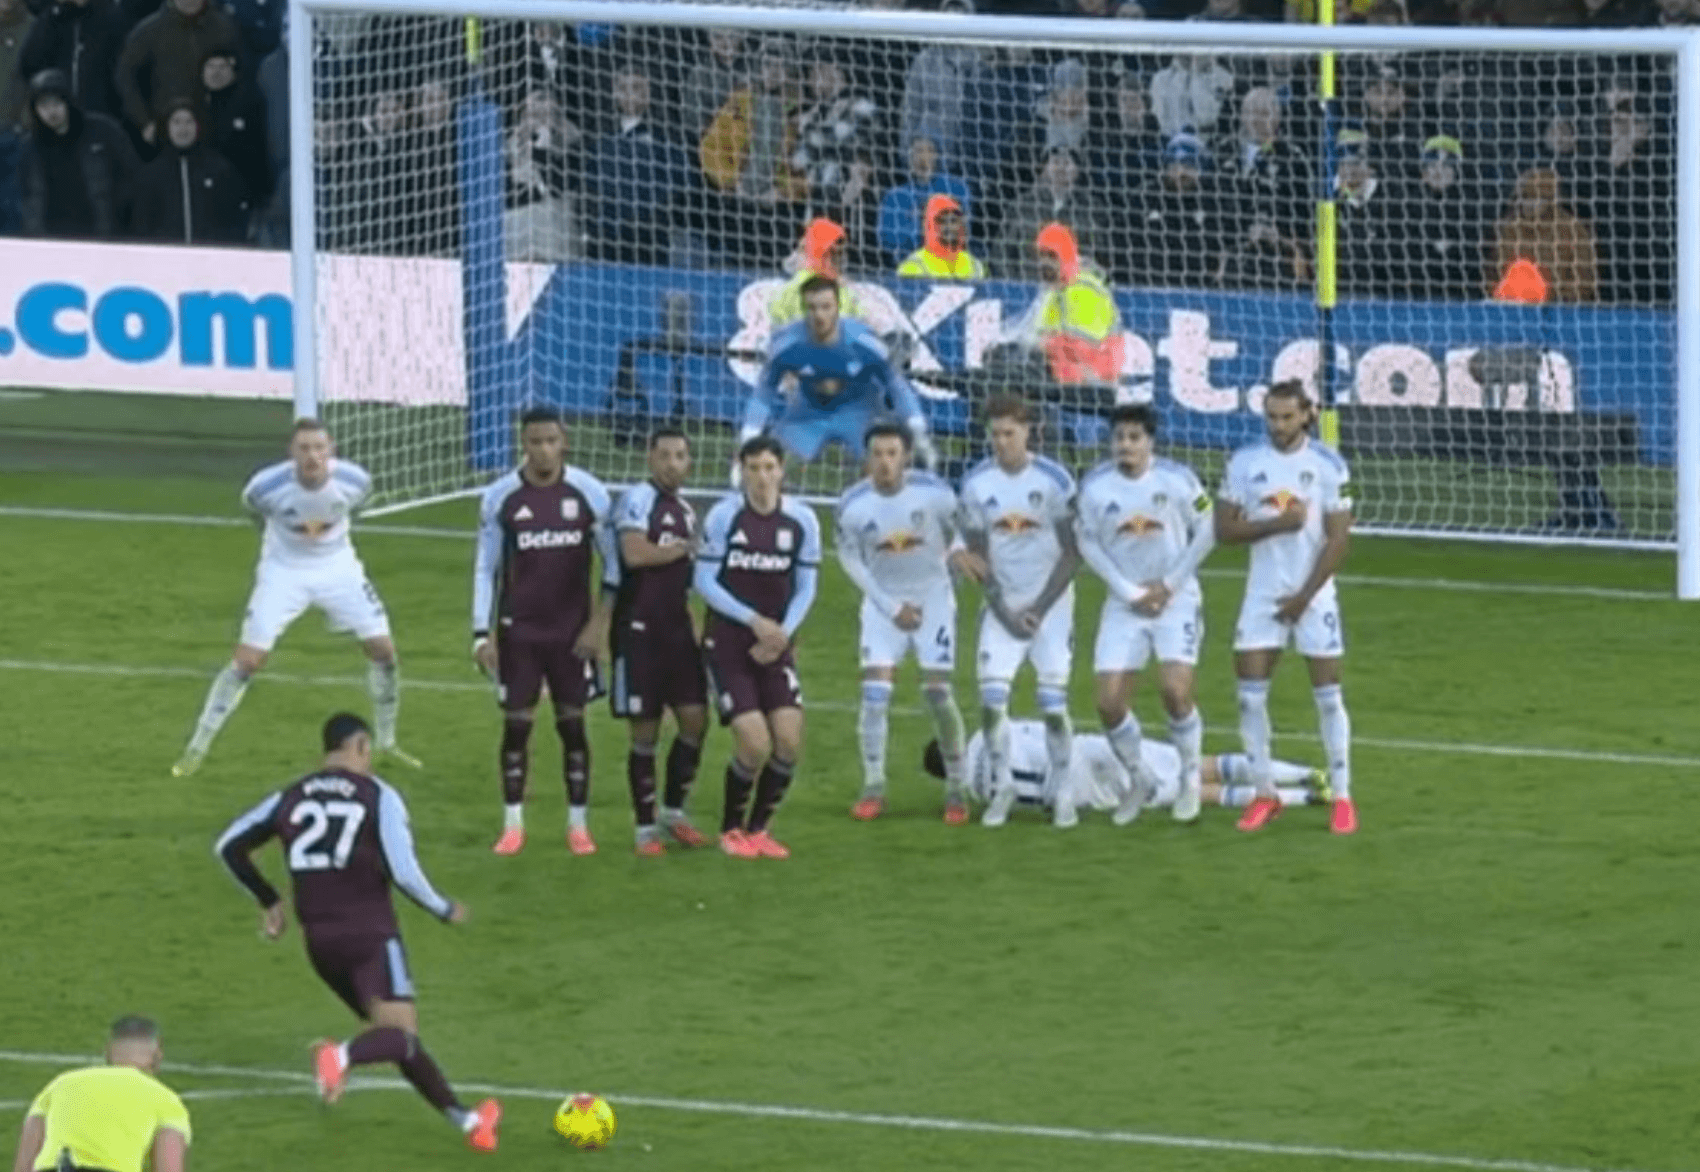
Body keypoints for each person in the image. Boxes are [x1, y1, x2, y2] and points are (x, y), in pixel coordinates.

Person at [212, 713, 501, 1152]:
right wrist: (443, 908)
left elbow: (229, 846)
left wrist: (269, 900)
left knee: (394, 1037)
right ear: (361, 746)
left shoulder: (291, 795)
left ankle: (468, 1121)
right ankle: (338, 1056)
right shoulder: (377, 794)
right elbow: (404, 872)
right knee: (399, 1036)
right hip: (370, 936)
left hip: (320, 944)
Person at [173, 419, 411, 777]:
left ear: (331, 450)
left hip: (339, 570)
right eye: (304, 448)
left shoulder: (355, 480)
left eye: (319, 448)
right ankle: (197, 747)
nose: (312, 456)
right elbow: (253, 511)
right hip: (283, 572)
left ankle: (388, 741)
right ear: (292, 453)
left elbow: (354, 507)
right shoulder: (265, 486)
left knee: (384, 651)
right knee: (248, 661)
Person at [1215, 380, 1358, 835]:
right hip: (1262, 594)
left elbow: (1339, 539)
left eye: (1286, 417)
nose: (1278, 426)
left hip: (1314, 596)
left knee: (1329, 697)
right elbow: (1224, 530)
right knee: (1249, 696)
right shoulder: (1245, 463)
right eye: (1272, 417)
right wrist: (1278, 524)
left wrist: (1304, 598)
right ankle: (1264, 794)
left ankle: (1342, 797)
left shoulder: (1327, 465)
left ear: (1307, 415)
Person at [472, 408, 616, 857]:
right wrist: (480, 633)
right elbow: (485, 568)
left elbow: (613, 566)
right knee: (516, 728)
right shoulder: (501, 497)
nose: (544, 450)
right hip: (519, 633)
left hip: (572, 635)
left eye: (551, 441)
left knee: (573, 727)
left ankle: (578, 825)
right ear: (524, 444)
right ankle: (512, 825)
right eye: (535, 442)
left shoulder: (589, 493)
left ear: (564, 441)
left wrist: (599, 625)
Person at [1075, 403, 1215, 827]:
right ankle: (1140, 777)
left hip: (1177, 599)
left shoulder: (1178, 479)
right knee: (1108, 703)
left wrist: (1169, 584)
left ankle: (1189, 777)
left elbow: (1209, 528)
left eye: (1134, 438)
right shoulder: (1095, 487)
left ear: (1150, 442)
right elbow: (1087, 543)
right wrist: (1130, 592)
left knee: (1175, 692)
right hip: (1125, 603)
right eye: (1119, 438)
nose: (1126, 445)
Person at [835, 421, 976, 823]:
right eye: (877, 454)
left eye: (892, 454)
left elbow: (961, 531)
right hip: (884, 604)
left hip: (933, 599)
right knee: (874, 696)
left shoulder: (935, 493)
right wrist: (890, 606)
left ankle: (956, 787)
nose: (884, 462)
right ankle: (873, 785)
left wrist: (959, 554)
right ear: (867, 459)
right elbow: (850, 558)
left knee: (937, 692)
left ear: (907, 457)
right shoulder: (852, 504)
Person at [694, 435, 822, 859]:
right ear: (742, 471)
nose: (762, 478)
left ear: (782, 470)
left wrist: (782, 632)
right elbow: (704, 581)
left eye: (769, 468)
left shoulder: (802, 520)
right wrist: (755, 621)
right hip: (729, 645)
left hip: (774, 644)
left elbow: (806, 586)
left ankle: (759, 829)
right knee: (753, 743)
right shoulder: (724, 517)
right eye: (753, 469)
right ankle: (730, 830)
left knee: (788, 740)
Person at [958, 395, 1079, 828]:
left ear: (1029, 432)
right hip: (1003, 607)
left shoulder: (1055, 481)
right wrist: (1004, 610)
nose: (1002, 442)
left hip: (1051, 606)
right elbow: (978, 556)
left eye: (1010, 433)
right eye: (995, 434)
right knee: (992, 703)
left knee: (1052, 705)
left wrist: (1039, 609)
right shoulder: (975, 484)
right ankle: (1004, 785)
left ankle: (1062, 789)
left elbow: (1073, 552)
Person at [610, 429, 711, 855]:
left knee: (695, 719)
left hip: (677, 631)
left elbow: (685, 582)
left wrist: (697, 628)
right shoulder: (637, 499)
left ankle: (673, 812)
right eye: (665, 455)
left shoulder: (686, 511)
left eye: (680, 456)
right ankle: (645, 829)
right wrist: (684, 548)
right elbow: (634, 553)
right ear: (651, 458)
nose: (673, 463)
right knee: (645, 732)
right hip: (638, 631)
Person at [926, 721, 1329, 818]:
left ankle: (1304, 797)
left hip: (1081, 797)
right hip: (1087, 756)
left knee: (1191, 792)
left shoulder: (980, 794)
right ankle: (1304, 773)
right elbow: (1042, 730)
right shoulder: (986, 734)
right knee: (1195, 765)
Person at [742, 274, 936, 473]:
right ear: (803, 309)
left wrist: (918, 429)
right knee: (770, 463)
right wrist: (748, 437)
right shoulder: (788, 343)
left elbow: (895, 384)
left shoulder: (862, 341)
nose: (819, 315)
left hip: (860, 410)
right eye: (812, 308)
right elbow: (764, 392)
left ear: (838, 308)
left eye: (826, 307)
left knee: (884, 467)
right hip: (808, 413)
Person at [10, 1017, 190, 1172]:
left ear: (107, 1052)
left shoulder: (61, 1084)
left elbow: (25, 1162)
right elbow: (168, 1167)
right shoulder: (165, 1099)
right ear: (157, 1057)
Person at [130, 98, 249, 244]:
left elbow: (233, 219)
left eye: (189, 122)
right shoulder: (150, 175)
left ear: (198, 126)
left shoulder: (219, 170)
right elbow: (142, 225)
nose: (183, 129)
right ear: (167, 127)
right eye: (176, 122)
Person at [768, 216, 862, 328]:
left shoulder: (787, 290)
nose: (841, 257)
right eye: (838, 252)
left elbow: (775, 321)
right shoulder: (844, 293)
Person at [895, 193, 986, 279]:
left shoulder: (975, 265)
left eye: (953, 221)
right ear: (929, 225)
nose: (949, 227)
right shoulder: (912, 266)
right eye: (941, 221)